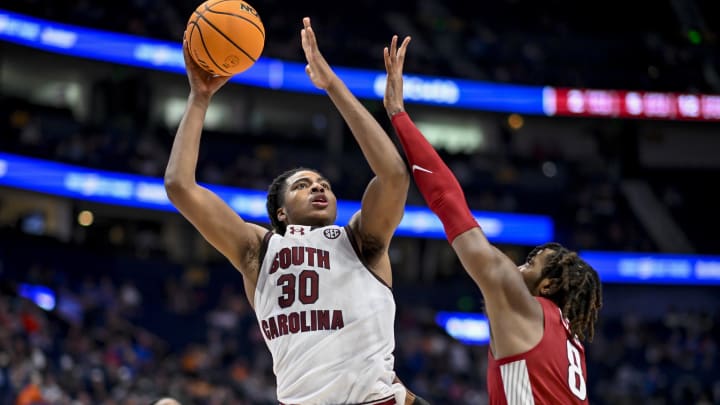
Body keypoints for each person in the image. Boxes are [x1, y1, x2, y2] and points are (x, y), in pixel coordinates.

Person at [165, 17, 426, 405]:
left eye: (324, 184)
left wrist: (332, 85)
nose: (319, 187)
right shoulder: (259, 250)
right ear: (282, 213)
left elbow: (393, 176)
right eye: (302, 185)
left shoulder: (359, 241)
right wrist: (199, 98)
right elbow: (180, 186)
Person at [382, 35, 603, 404]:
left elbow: (448, 201)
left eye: (532, 263)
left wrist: (398, 115)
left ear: (547, 287)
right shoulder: (570, 345)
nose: (517, 265)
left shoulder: (523, 305)